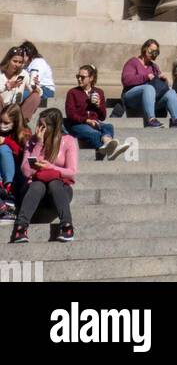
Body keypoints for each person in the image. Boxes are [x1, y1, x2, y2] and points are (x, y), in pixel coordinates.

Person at [11, 107, 78, 244]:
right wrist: (39, 144)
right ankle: (21, 228)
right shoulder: (33, 141)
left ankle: (67, 226)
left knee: (54, 182)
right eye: (38, 124)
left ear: (54, 127)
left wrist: (51, 167)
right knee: (37, 184)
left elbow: (72, 172)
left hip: (59, 191)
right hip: (34, 191)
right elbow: (25, 171)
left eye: (43, 126)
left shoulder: (69, 141)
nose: (39, 129)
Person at [64, 65, 131, 160]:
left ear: (91, 78)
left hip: (95, 123)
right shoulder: (72, 92)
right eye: (77, 76)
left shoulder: (99, 92)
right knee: (94, 134)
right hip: (78, 124)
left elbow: (103, 117)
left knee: (108, 126)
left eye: (82, 77)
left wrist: (99, 106)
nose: (79, 79)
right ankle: (111, 149)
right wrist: (86, 120)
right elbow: (70, 114)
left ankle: (107, 145)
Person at [120, 40, 177, 128]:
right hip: (132, 97)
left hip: (151, 98)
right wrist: (146, 77)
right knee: (148, 88)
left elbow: (160, 86)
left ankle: (176, 120)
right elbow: (126, 80)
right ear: (145, 49)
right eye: (151, 51)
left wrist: (164, 80)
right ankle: (151, 120)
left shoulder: (154, 67)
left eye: (156, 52)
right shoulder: (133, 62)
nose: (153, 53)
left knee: (171, 93)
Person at [0, 103, 29, 217]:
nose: (2, 125)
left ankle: (9, 190)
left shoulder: (25, 133)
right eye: (1, 121)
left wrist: (6, 141)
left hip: (18, 172)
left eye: (6, 123)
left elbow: (24, 155)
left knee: (3, 148)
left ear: (15, 122)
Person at [1, 47, 41, 120]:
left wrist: (35, 86)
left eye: (20, 62)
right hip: (2, 107)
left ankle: (22, 123)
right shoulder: (1, 73)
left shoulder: (23, 74)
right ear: (8, 60)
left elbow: (38, 92)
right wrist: (8, 86)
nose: (17, 64)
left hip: (15, 109)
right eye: (15, 61)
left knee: (36, 96)